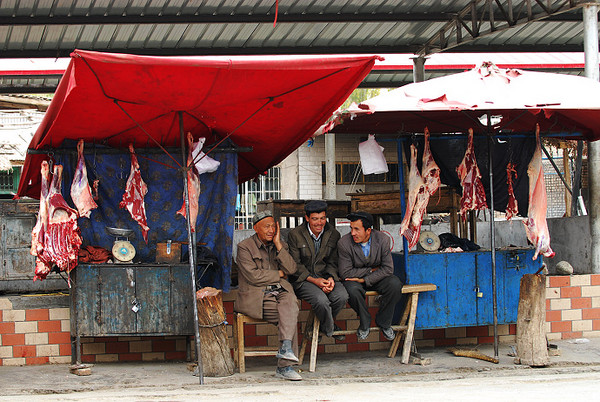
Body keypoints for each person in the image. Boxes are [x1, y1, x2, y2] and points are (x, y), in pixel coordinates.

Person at [235, 210, 302, 381]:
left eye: (273, 226)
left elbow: (292, 270)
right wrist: (279, 273)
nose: (271, 230)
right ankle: (285, 367)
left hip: (279, 292)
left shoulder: (280, 245)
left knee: (290, 304)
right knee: (289, 314)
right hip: (258, 297)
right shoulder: (244, 247)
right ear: (256, 228)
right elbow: (253, 276)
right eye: (267, 226)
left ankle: (285, 351)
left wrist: (279, 244)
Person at [337, 211, 403, 341]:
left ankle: (384, 322)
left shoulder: (383, 239)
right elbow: (345, 272)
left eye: (357, 229)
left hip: (376, 278)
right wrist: (372, 270)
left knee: (395, 284)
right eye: (351, 228)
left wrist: (365, 278)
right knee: (351, 290)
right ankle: (365, 321)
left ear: (368, 230)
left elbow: (388, 269)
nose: (353, 233)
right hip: (353, 280)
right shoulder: (344, 243)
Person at [288, 200, 348, 340]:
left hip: (325, 277)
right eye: (315, 219)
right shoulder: (295, 234)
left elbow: (333, 262)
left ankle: (322, 326)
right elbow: (295, 265)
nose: (319, 223)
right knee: (321, 301)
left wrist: (331, 279)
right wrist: (315, 280)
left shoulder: (333, 234)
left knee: (341, 296)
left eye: (322, 218)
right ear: (307, 218)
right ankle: (330, 328)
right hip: (304, 280)